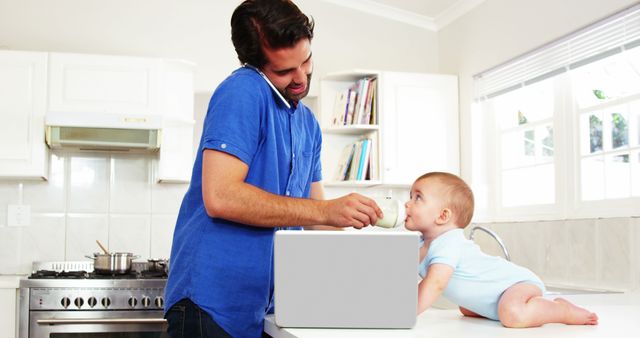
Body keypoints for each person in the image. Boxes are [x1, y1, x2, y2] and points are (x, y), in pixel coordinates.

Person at [163, 1, 383, 338]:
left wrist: (371, 270)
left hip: (265, 308)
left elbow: (315, 219)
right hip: (212, 304)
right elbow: (220, 196)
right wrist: (326, 210)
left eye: (306, 60)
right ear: (255, 66)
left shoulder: (307, 122)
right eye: (283, 71)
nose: (300, 78)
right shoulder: (243, 91)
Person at [405, 172, 599, 328]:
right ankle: (502, 309)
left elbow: (436, 283)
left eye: (418, 198)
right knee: (467, 309)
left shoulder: (448, 242)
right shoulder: (421, 245)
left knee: (513, 314)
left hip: (516, 284)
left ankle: (562, 310)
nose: (407, 203)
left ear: (443, 215)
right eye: (410, 196)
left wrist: (402, 312)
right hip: (497, 298)